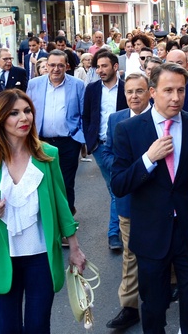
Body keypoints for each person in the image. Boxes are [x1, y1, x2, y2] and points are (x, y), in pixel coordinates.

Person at [0, 90, 86, 333]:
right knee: (5, 330)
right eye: (14, 113)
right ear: (0, 118)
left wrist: (74, 248)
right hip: (1, 256)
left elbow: (61, 206)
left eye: (27, 111)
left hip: (40, 258)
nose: (24, 118)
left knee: (38, 327)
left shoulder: (47, 154)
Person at [110, 63, 188, 334]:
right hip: (151, 233)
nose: (176, 97)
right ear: (153, 92)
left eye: (181, 90)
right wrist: (148, 159)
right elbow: (119, 184)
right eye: (168, 90)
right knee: (153, 307)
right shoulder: (128, 130)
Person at [100, 73, 151, 329]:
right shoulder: (116, 119)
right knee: (131, 255)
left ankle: (168, 288)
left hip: (158, 200)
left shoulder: (159, 119)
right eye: (129, 92)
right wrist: (127, 169)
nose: (133, 96)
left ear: (150, 92)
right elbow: (108, 153)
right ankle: (129, 307)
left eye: (139, 91)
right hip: (129, 200)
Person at [26, 50, 86, 215]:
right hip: (41, 142)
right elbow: (27, 111)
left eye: (60, 65)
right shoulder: (34, 84)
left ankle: (67, 223)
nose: (56, 69)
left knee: (66, 183)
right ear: (46, 66)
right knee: (42, 182)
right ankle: (49, 221)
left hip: (68, 142)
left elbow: (83, 113)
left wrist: (80, 138)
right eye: (52, 65)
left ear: (67, 66)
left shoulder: (77, 85)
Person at [82, 51, 127, 251]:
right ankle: (114, 234)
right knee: (115, 188)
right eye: (97, 67)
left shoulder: (126, 89)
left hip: (123, 146)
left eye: (104, 66)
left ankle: (119, 231)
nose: (100, 70)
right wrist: (89, 142)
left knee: (117, 188)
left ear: (115, 67)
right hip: (101, 147)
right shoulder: (92, 89)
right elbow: (86, 116)